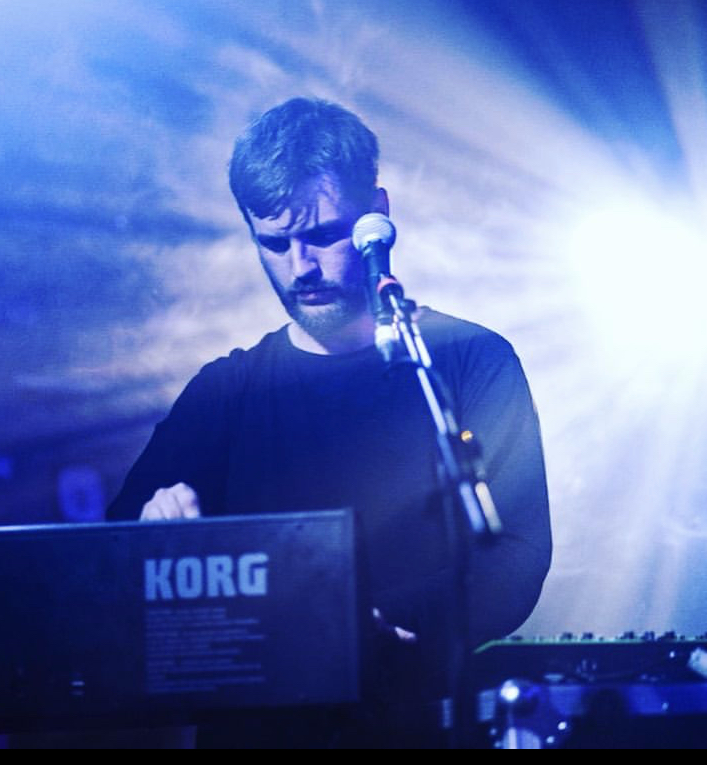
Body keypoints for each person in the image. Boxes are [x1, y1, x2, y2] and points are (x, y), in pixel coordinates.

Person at [107, 97, 551, 747]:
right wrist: (153, 533)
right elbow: (107, 564)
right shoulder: (226, 391)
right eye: (273, 243)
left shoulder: (468, 362)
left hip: (416, 728)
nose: (301, 268)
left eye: (321, 236)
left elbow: (517, 555)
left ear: (379, 215)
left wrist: (369, 624)